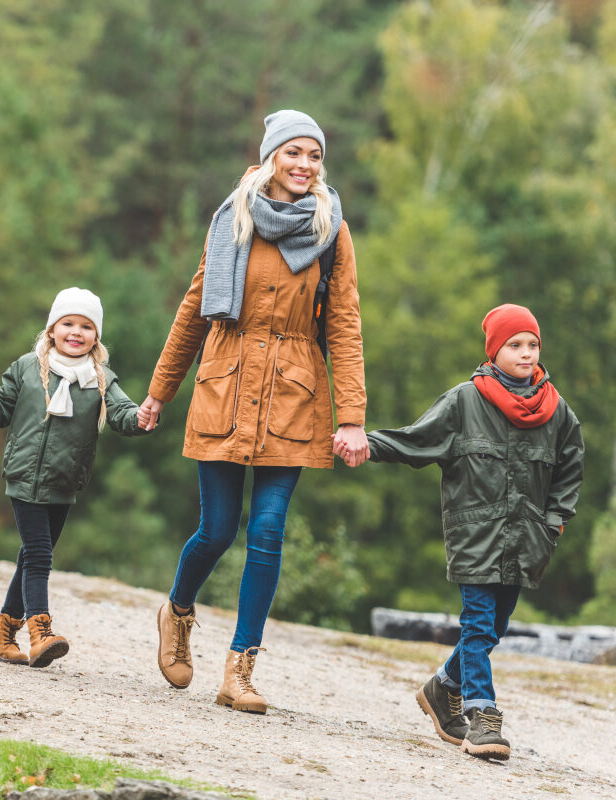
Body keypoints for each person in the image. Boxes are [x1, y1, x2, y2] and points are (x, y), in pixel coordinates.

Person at [141, 110, 369, 714]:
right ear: (271, 157)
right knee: (216, 530)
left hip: (294, 394)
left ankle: (240, 668)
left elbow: (344, 324)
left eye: (314, 155)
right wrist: (159, 392)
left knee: (267, 532)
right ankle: (178, 609)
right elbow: (195, 307)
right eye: (294, 152)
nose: (305, 165)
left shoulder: (331, 228)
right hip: (225, 382)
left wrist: (351, 417)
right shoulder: (233, 217)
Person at [358, 303, 584, 760]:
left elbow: (570, 468)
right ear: (494, 351)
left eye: (532, 344)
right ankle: (483, 719)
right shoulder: (464, 401)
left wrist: (555, 521)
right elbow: (415, 440)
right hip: (475, 539)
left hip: (526, 543)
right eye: (514, 345)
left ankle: (442, 687)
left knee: (494, 629)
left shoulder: (557, 413)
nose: (526, 353)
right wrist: (366, 442)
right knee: (478, 627)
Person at [0, 288, 147, 667]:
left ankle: (2, 636)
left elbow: (124, 413)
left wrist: (142, 418)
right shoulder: (28, 367)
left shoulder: (100, 378)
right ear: (52, 329)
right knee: (40, 555)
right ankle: (40, 632)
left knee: (30, 557)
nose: (76, 332)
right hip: (25, 475)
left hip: (64, 481)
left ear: (96, 336)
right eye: (68, 323)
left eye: (86, 326)